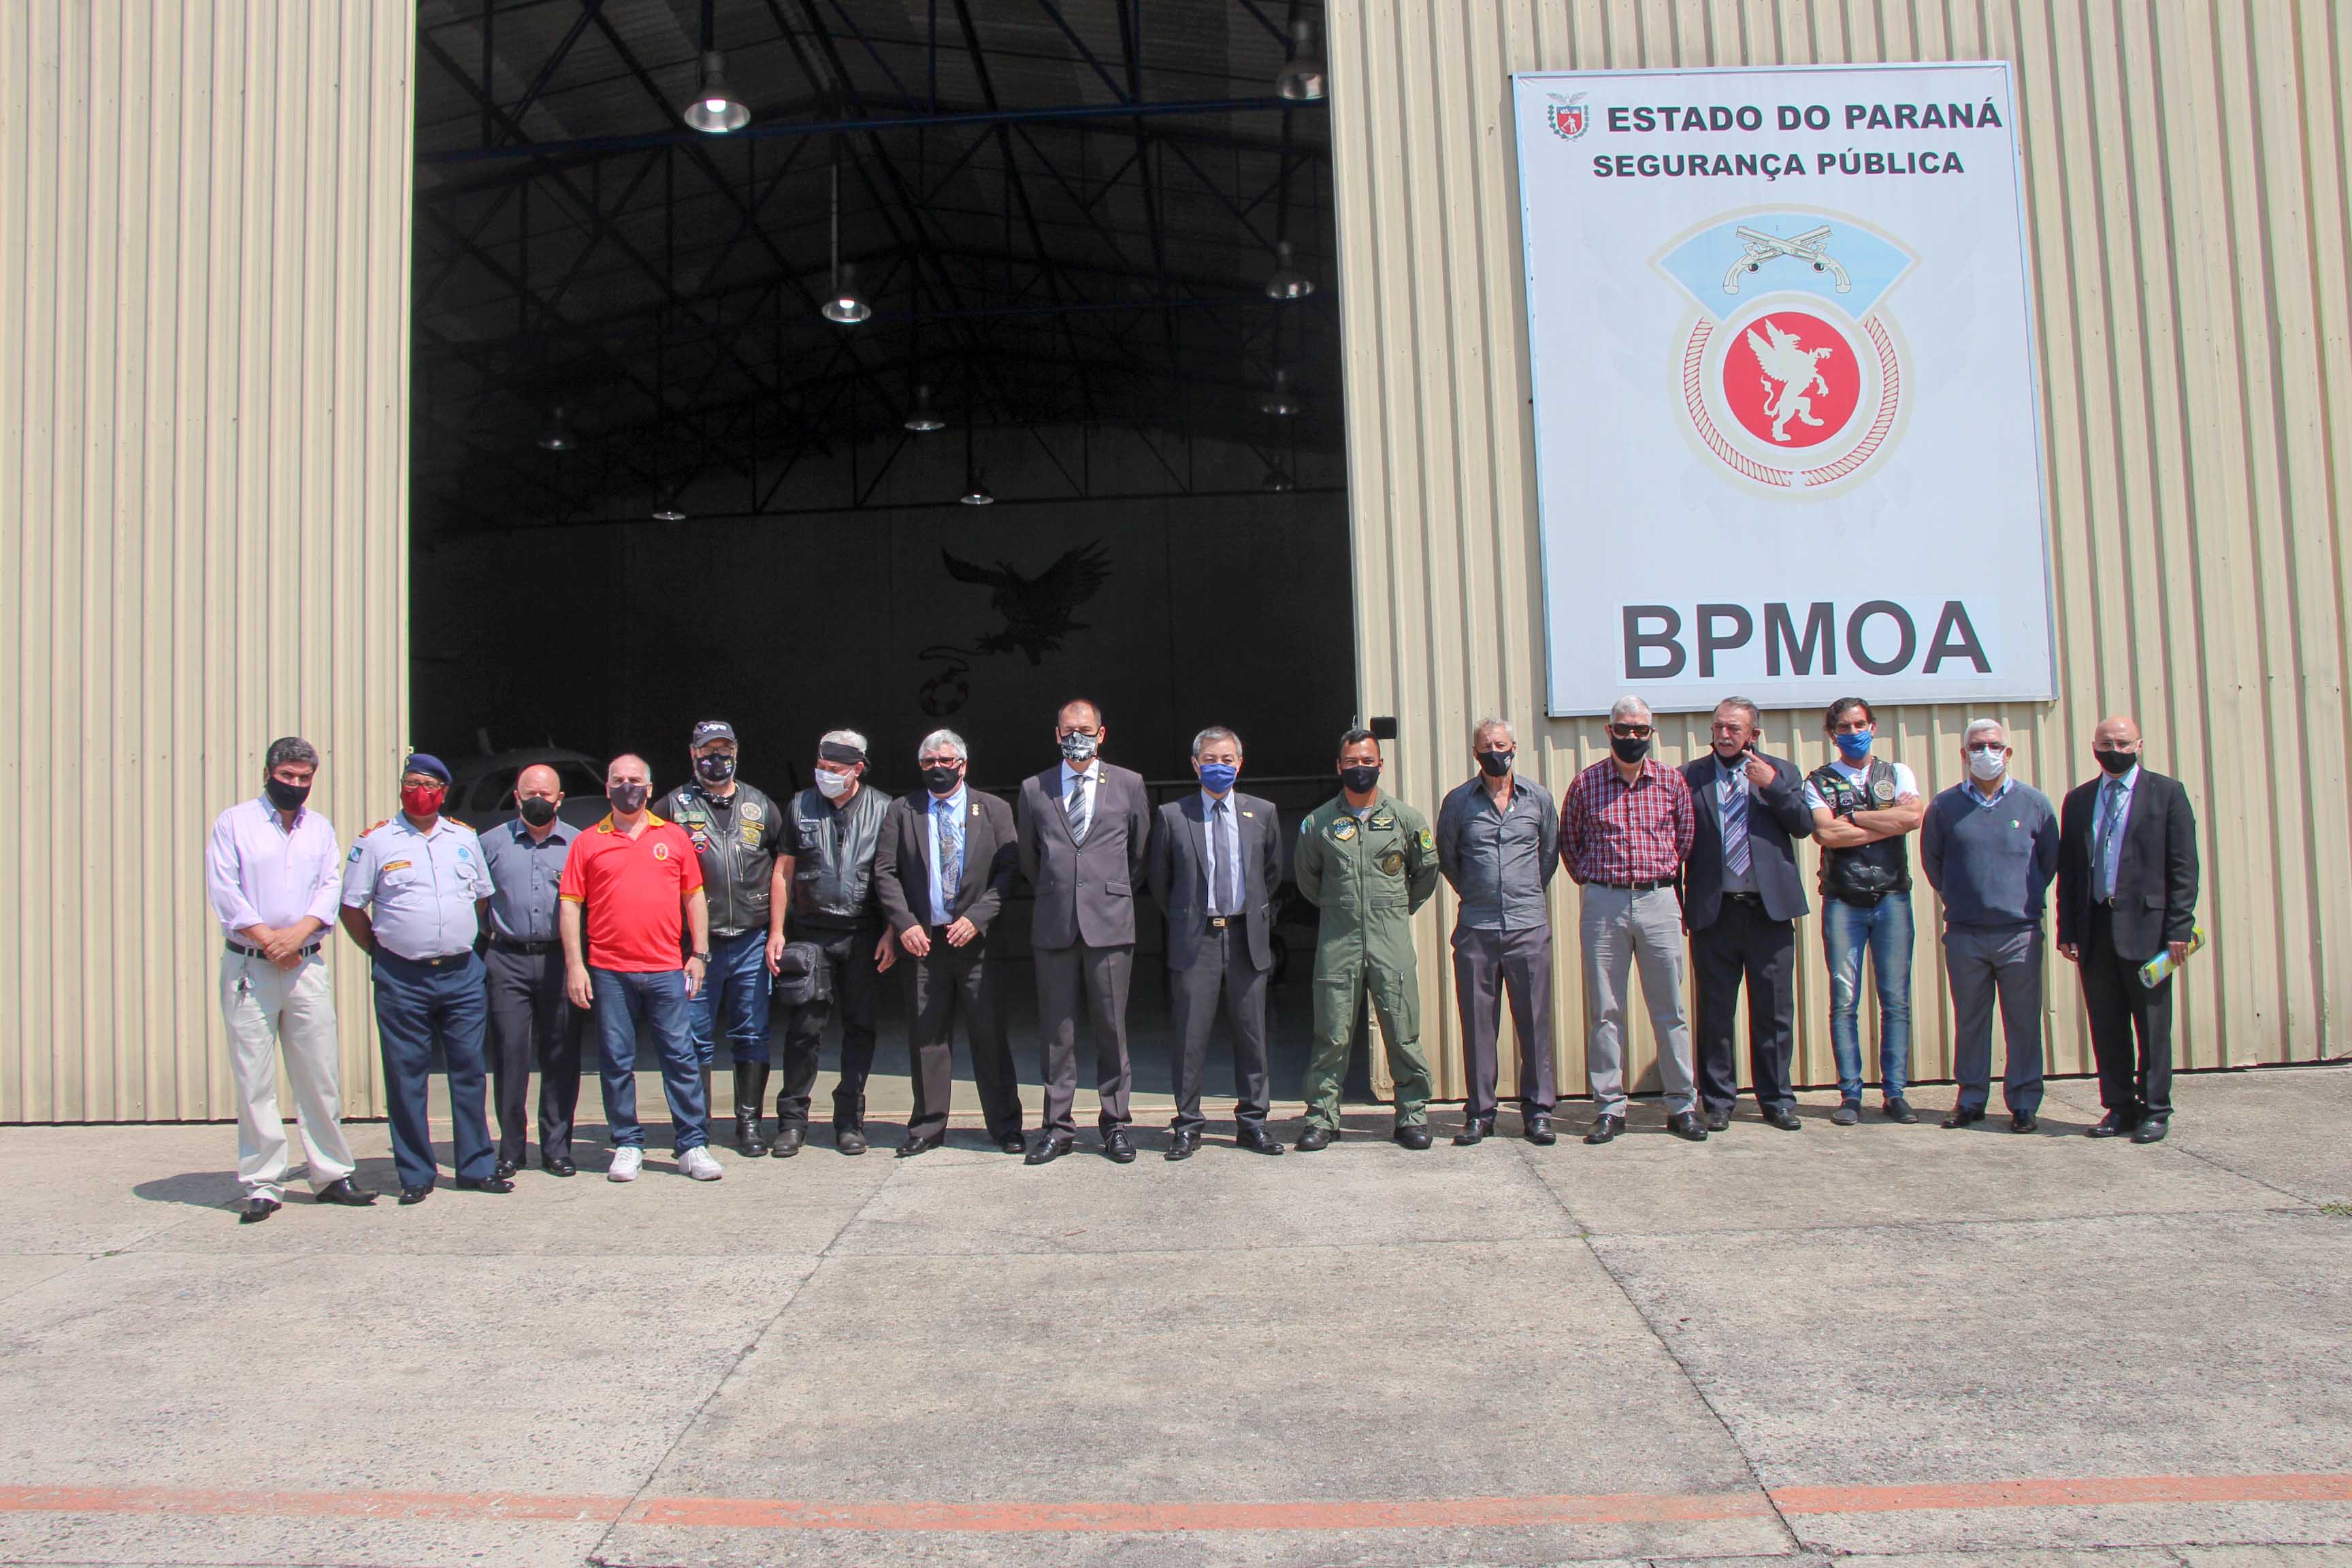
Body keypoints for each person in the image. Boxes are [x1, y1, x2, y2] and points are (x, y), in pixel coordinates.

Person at [204, 736, 376, 1223]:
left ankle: (331, 1173)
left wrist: (296, 937)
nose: (295, 785)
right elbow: (226, 889)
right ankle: (263, 1183)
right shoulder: (234, 823)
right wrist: (268, 941)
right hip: (250, 965)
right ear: (268, 774)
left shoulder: (319, 829)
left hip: (304, 964)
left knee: (319, 1075)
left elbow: (329, 887)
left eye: (304, 778)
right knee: (254, 1079)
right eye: (287, 777)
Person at [337, 752, 508, 1205]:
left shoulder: (464, 838)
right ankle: (415, 1172)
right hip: (402, 977)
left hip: (461, 975)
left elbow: (481, 899)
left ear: (443, 793)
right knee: (406, 1075)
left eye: (429, 785)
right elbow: (351, 907)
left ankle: (476, 1167)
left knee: (469, 1071)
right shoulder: (376, 842)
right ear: (401, 788)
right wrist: (381, 949)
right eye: (412, 783)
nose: (420, 792)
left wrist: (460, 939)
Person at [558, 753, 723, 1183]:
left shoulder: (673, 837)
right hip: (610, 970)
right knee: (616, 1060)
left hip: (666, 968)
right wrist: (575, 965)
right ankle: (627, 1143)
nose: (626, 787)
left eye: (634, 780)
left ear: (649, 790)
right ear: (607, 788)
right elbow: (571, 905)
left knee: (680, 1057)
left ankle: (692, 1144)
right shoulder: (588, 842)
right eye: (618, 780)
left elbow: (694, 896)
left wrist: (699, 953)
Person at [872, 729, 1026, 1158]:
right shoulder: (902, 810)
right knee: (928, 1036)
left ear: (963, 765)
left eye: (945, 761)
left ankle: (1006, 1125)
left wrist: (978, 918)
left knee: (989, 1035)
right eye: (928, 762)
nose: (937, 768)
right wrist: (903, 923)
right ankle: (928, 1126)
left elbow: (1010, 871)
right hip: (924, 943)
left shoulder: (994, 809)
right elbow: (885, 872)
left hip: (978, 944)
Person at [1016, 699, 1152, 1164]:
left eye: (1086, 729)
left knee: (1112, 1029)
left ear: (1102, 734)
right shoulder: (1033, 788)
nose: (1077, 736)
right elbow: (1030, 858)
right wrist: (1061, 890)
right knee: (1057, 1033)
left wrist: (1105, 892)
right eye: (1069, 730)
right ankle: (1057, 1128)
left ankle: (1115, 1125)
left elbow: (1138, 854)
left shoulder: (1130, 784)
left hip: (1110, 925)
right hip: (1054, 924)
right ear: (1057, 735)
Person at [1561, 697, 1703, 1145]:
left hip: (1659, 899)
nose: (1632, 737)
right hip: (1604, 903)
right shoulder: (1586, 784)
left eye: (1640, 730)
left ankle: (1681, 1105)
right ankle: (1609, 1107)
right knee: (1605, 1010)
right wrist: (1601, 884)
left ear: (1651, 733)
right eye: (1624, 729)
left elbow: (1685, 840)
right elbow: (1571, 844)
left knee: (1671, 1010)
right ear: (1609, 731)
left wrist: (1654, 881)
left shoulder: (1671, 782)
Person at [1293, 728, 1440, 1151]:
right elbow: (1308, 880)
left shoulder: (1406, 819)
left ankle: (1412, 1116)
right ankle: (1322, 1118)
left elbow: (1425, 873)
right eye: (1352, 762)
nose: (1361, 768)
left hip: (1390, 940)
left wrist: (1392, 911)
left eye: (1367, 761)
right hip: (1338, 942)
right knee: (1332, 1034)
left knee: (1402, 1031)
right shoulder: (1318, 823)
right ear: (1339, 766)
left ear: (1381, 765)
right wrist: (1343, 909)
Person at [2057, 715, 2200, 1145]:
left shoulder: (2167, 793)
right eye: (2106, 743)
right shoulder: (2079, 800)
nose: (2114, 751)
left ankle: (2155, 1109)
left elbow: (2184, 867)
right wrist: (2068, 928)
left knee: (2152, 1025)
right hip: (2095, 927)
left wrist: (2179, 928)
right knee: (2107, 1023)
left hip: (2149, 929)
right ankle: (2119, 1106)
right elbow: (2070, 871)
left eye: (2122, 743)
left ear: (2139, 745)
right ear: (2094, 747)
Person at [1146, 726, 1285, 1160]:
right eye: (1210, 759)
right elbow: (1160, 881)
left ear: (1240, 764)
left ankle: (1254, 1123)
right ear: (1195, 765)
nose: (1218, 767)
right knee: (1190, 1037)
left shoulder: (1263, 813)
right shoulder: (1173, 815)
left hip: (1246, 937)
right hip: (1197, 939)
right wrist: (1190, 917)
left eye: (1227, 760)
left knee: (1252, 1035)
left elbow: (1272, 874)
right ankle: (1188, 1125)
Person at [1677, 698, 1812, 1132]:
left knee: (1774, 1011)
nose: (1724, 735)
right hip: (1715, 912)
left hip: (1768, 913)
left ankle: (1776, 1099)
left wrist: (1772, 786)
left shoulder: (1781, 771)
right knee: (1716, 1012)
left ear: (1753, 734)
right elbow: (1674, 843)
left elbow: (1803, 825)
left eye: (1734, 728)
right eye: (1718, 726)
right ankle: (1718, 1100)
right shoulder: (1689, 777)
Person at [1921, 719, 2060, 1132]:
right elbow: (1933, 863)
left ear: (2008, 752)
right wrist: (1962, 898)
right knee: (1971, 1021)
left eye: (1995, 745)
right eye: (1977, 747)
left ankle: (2024, 1103)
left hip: (2019, 933)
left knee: (2023, 1022)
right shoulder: (1944, 807)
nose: (1986, 753)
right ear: (1964, 755)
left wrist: (2020, 899)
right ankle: (1971, 1099)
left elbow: (2048, 862)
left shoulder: (2034, 804)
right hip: (1965, 933)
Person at [657, 721, 784, 1155]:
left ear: (736, 752)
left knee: (752, 1032)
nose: (717, 758)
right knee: (693, 1036)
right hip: (696, 946)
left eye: (724, 750)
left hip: (750, 938)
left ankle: (749, 1123)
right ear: (693, 754)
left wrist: (778, 930)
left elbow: (783, 867)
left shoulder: (760, 804)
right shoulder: (672, 806)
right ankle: (696, 1128)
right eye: (708, 750)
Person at [768, 730, 896, 1156]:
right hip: (811, 934)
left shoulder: (884, 808)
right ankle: (792, 1122)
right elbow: (783, 871)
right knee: (805, 1028)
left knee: (860, 1027)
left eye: (835, 769)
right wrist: (777, 931)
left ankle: (849, 1121)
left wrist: (892, 931)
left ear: (857, 769)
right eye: (821, 767)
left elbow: (893, 875)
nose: (824, 775)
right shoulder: (800, 805)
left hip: (864, 934)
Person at [1434, 717, 1560, 1145]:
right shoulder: (1458, 802)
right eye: (1486, 747)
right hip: (1478, 928)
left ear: (1514, 748)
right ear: (1475, 753)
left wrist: (1523, 895)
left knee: (1535, 1024)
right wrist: (1479, 893)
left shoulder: (1538, 799)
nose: (1494, 752)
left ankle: (1538, 1112)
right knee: (1478, 1026)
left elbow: (1548, 856)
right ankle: (1480, 1113)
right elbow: (1449, 858)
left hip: (1528, 927)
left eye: (1501, 745)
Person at [1804, 697, 1926, 1127]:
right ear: (1832, 734)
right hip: (1844, 899)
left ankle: (1895, 1092)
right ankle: (1850, 1093)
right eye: (1844, 727)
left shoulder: (1897, 773)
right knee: (1845, 1001)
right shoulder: (1818, 780)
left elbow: (1913, 818)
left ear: (1873, 727)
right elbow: (1826, 833)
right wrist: (1885, 821)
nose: (1853, 732)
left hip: (1892, 897)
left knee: (1896, 999)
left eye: (1860, 724)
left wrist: (1854, 817)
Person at [478, 763, 587, 1177]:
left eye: (546, 794)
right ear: (516, 797)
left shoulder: (578, 844)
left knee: (562, 1055)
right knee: (510, 1055)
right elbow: (477, 902)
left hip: (561, 959)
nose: (538, 800)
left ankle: (557, 1147)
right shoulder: (490, 844)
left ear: (560, 800)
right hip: (507, 959)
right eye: (530, 794)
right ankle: (511, 1148)